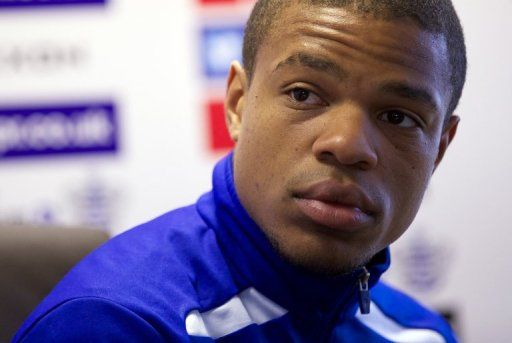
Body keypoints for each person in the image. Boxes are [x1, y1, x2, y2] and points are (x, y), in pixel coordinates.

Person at [13, 0, 466, 342]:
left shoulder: (421, 333)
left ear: (439, 150)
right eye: (304, 94)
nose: (347, 146)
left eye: (398, 117)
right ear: (237, 104)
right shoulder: (113, 324)